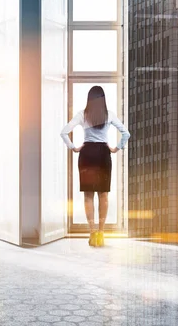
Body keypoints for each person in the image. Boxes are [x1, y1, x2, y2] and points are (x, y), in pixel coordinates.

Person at [60, 86, 130, 247]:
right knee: (103, 194)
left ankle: (92, 233)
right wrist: (116, 148)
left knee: (88, 195)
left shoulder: (82, 115)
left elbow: (64, 132)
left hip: (87, 154)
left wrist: (73, 147)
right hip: (103, 154)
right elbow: (126, 133)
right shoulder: (109, 115)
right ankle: (101, 233)